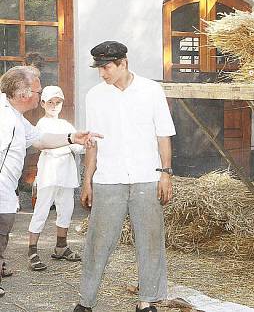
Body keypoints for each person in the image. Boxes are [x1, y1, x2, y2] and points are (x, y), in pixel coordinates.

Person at [74, 41, 176, 312]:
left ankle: (147, 302)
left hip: (146, 176)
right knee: (98, 242)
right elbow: (92, 141)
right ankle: (85, 302)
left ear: (123, 63)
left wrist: (165, 174)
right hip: (108, 179)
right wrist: (87, 180)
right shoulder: (94, 95)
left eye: (106, 67)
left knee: (150, 241)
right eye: (99, 68)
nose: (102, 74)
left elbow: (163, 134)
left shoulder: (152, 90)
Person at [0, 66, 100, 297]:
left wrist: (71, 137)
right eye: (37, 91)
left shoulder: (15, 116)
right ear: (23, 94)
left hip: (7, 189)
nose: (39, 95)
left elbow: (40, 139)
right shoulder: (5, 119)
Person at [28, 86, 84, 272]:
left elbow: (78, 147)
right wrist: (67, 144)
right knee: (41, 210)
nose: (54, 105)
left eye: (57, 102)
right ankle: (32, 250)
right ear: (43, 103)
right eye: (50, 102)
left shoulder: (66, 125)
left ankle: (61, 246)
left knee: (66, 209)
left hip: (66, 173)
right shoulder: (41, 125)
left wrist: (84, 142)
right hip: (49, 173)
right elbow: (44, 145)